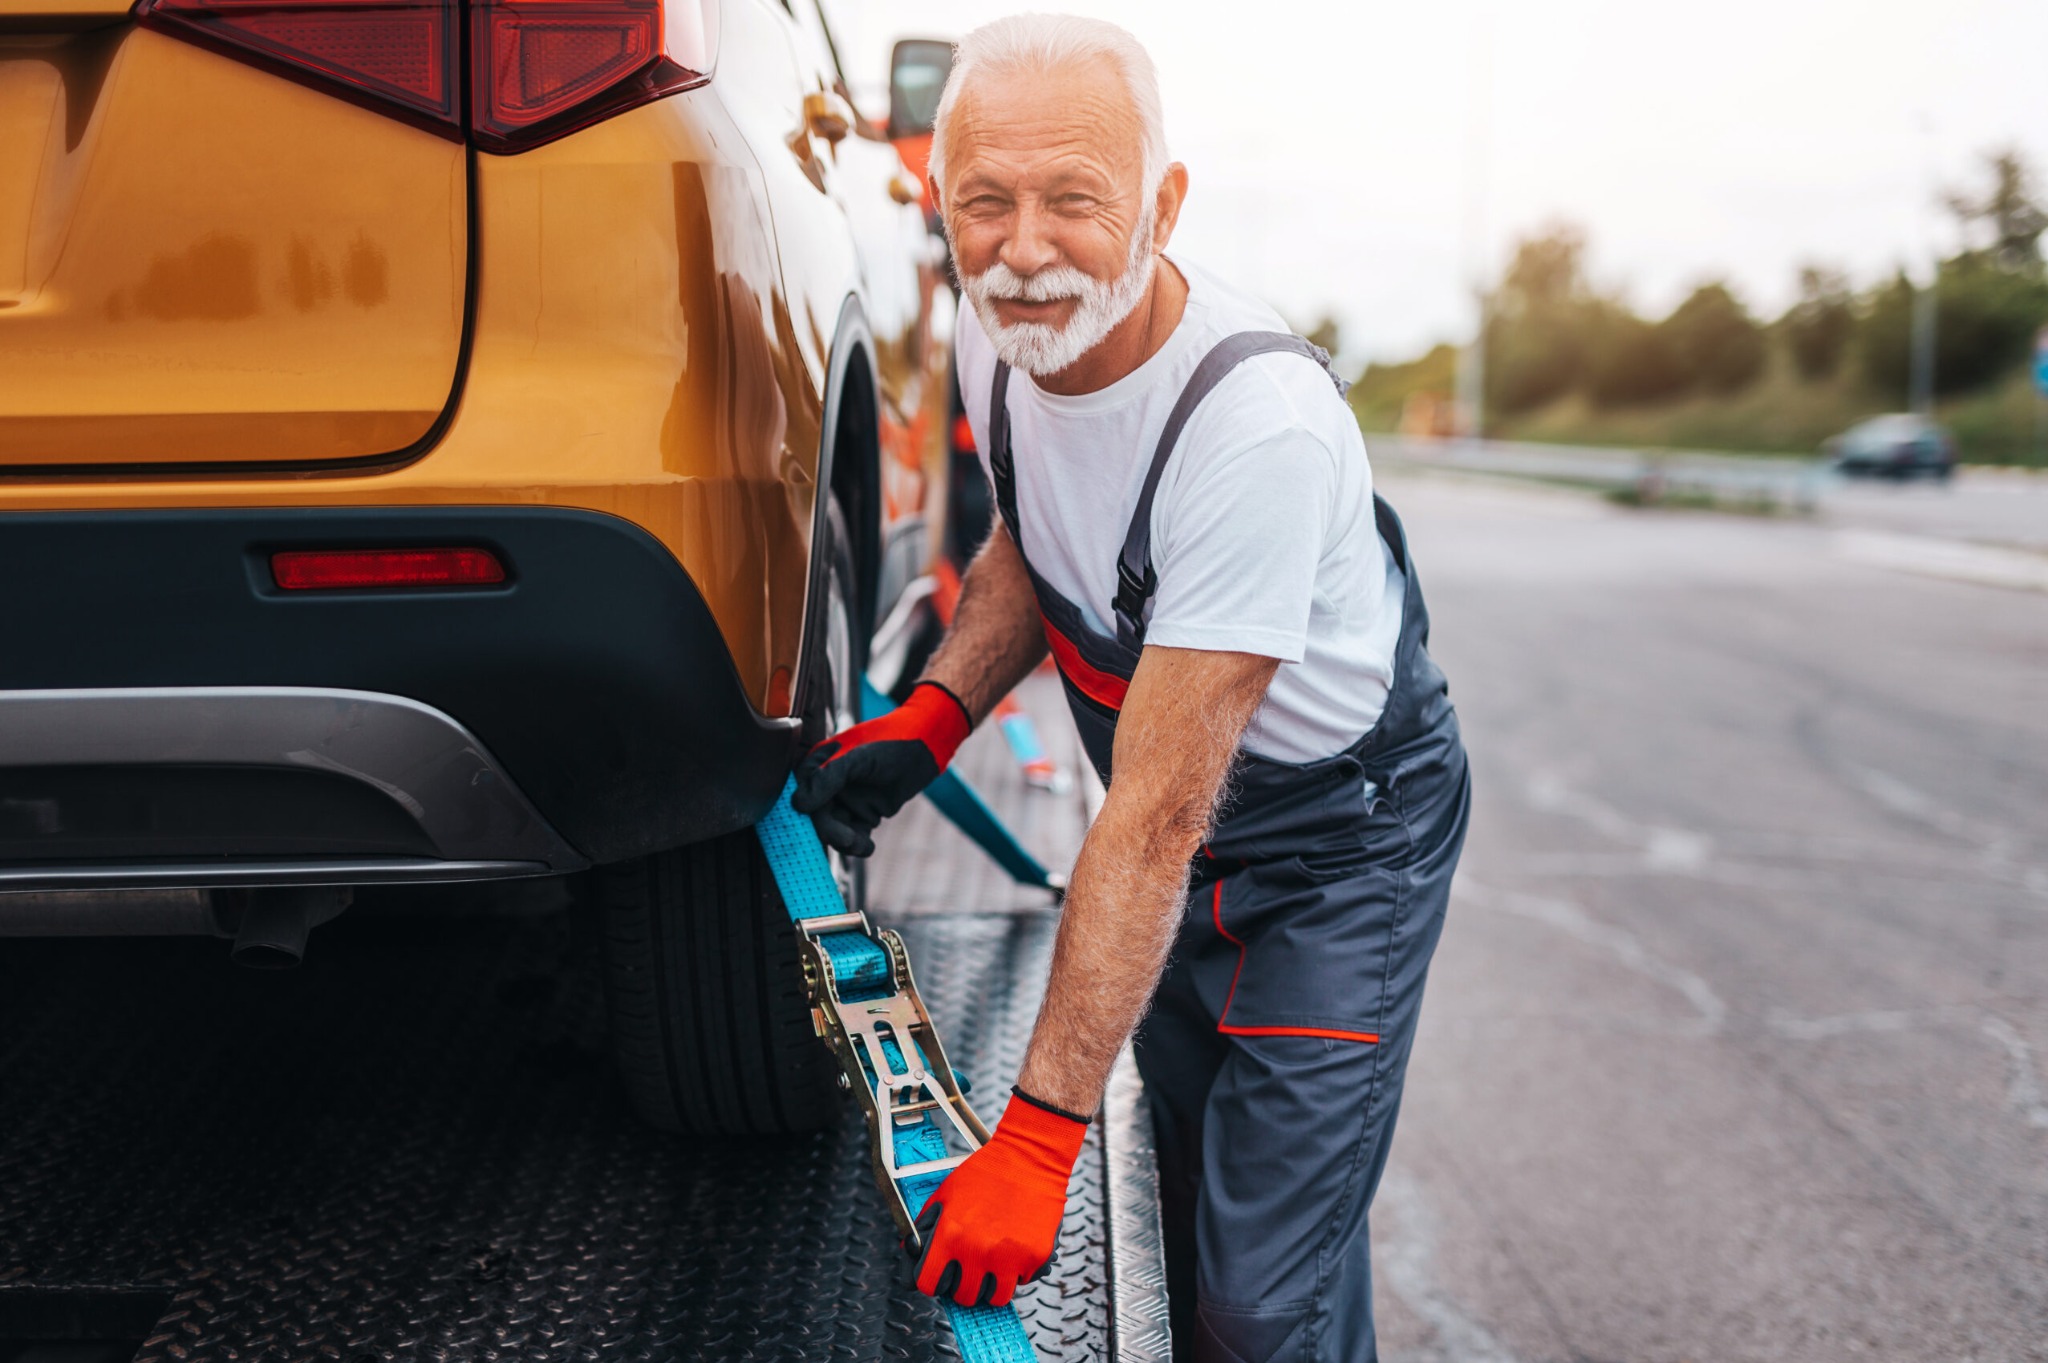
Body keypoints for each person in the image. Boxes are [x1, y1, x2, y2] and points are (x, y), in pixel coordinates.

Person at [793, 15, 1469, 1361]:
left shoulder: (1249, 428)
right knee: (1198, 1219)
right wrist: (937, 716)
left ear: (1163, 206)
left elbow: (1153, 820)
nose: (1025, 250)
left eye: (1074, 203)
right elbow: (1031, 539)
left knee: (1254, 1304)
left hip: (1336, 858)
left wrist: (1037, 1140)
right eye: (985, 201)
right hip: (1184, 833)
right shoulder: (1003, 340)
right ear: (942, 198)